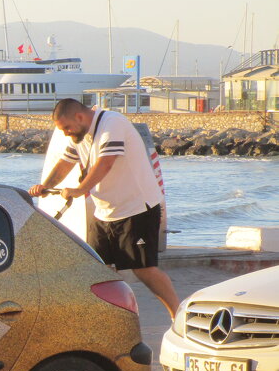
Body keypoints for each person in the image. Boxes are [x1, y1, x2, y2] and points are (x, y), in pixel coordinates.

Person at [29, 98, 179, 319]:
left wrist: (80, 190)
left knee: (143, 269)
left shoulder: (112, 122)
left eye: (67, 128)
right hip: (104, 211)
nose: (67, 134)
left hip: (136, 207)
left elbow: (106, 162)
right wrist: (45, 186)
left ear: (79, 117)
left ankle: (178, 314)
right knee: (98, 268)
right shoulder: (78, 135)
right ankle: (107, 319)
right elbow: (65, 163)